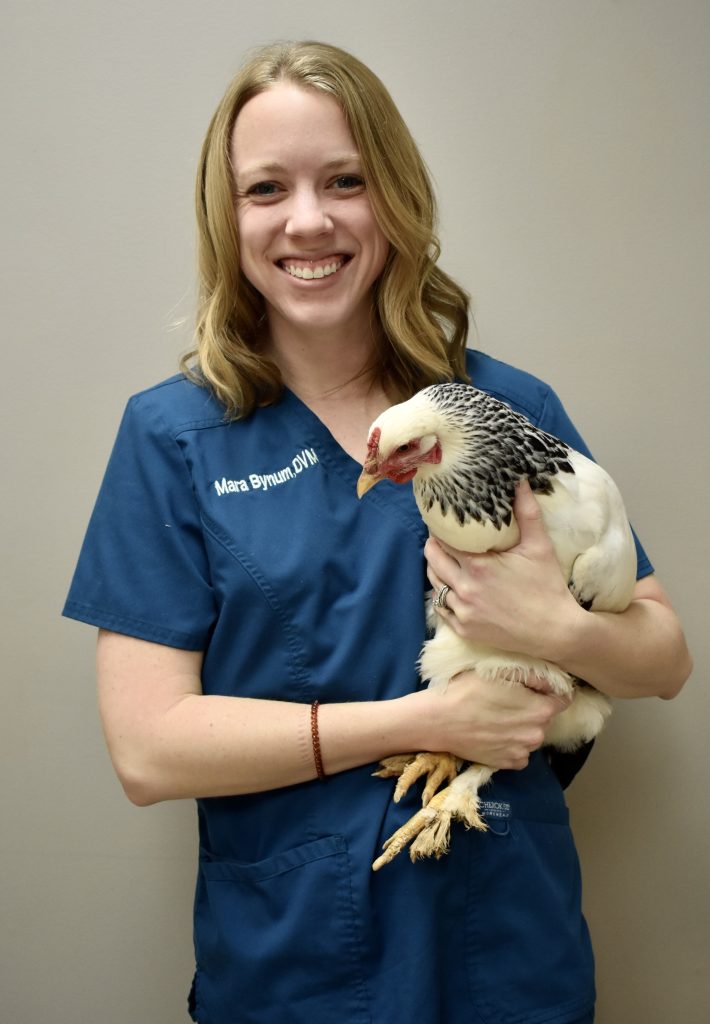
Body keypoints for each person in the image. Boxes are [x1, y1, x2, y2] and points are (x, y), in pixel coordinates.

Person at [63, 41, 691, 1024]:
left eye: (343, 181)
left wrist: (554, 627)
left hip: (509, 954)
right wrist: (422, 722)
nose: (306, 219)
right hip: (296, 966)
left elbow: (662, 658)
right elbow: (150, 748)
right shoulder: (172, 437)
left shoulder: (507, 407)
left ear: (390, 198)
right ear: (229, 220)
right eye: (265, 188)